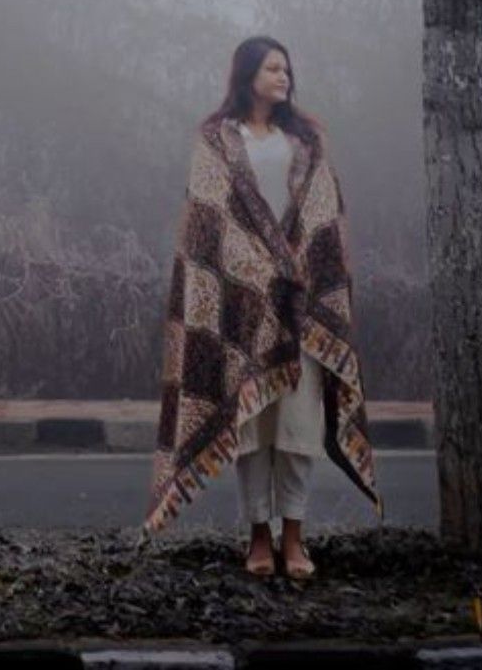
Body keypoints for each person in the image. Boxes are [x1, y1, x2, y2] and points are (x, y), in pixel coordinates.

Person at [146, 36, 380, 579]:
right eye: (274, 67)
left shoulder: (307, 141)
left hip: (301, 310)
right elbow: (208, 227)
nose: (285, 76)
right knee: (250, 429)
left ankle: (294, 539)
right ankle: (257, 538)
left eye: (288, 68)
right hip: (242, 310)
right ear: (248, 73)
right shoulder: (214, 142)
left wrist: (297, 276)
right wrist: (258, 274)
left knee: (297, 430)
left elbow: (325, 222)